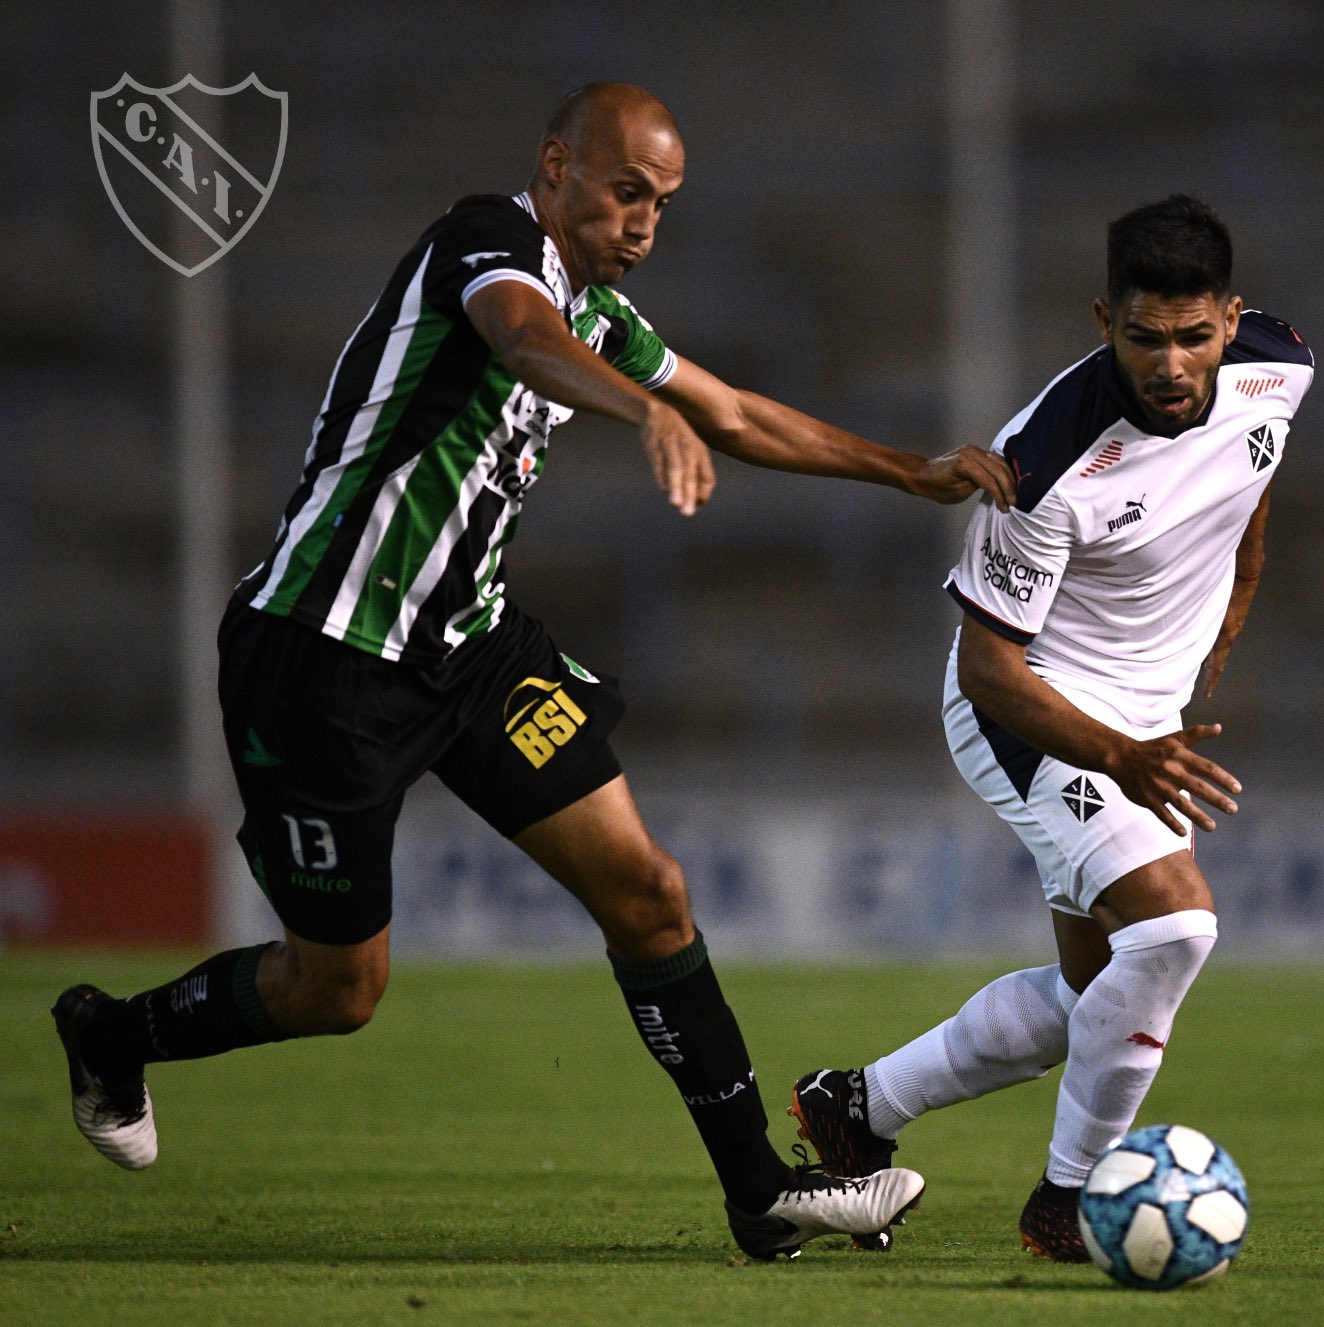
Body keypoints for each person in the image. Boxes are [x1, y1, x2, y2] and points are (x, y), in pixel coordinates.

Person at [50, 82, 1018, 1262]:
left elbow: (729, 411)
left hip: (470, 648)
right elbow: (520, 337)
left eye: (661, 202)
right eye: (625, 192)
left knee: (648, 891)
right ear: (555, 167)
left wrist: (904, 471)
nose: (645, 222)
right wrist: (638, 414)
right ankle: (113, 1034)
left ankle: (760, 1192)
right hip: (323, 657)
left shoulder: (605, 319)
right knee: (339, 989)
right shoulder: (486, 241)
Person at [784, 195, 1315, 1260]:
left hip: (1144, 719)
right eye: (1142, 337)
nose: (1170, 363)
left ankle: (858, 1106)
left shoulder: (1281, 366)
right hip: (1030, 710)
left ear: (1232, 317)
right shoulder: (1046, 459)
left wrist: (1227, 616)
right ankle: (1068, 1201)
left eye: (1193, 335)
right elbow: (988, 667)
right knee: (1174, 930)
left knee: (1095, 991)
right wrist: (1121, 753)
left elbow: (1247, 485)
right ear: (1101, 320)